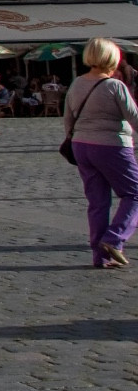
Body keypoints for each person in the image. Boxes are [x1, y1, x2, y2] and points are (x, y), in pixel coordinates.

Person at [65, 36, 138, 268]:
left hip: (81, 146)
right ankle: (114, 239)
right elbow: (134, 117)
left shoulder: (77, 83)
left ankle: (101, 257)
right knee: (135, 194)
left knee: (97, 202)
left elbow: (68, 118)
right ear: (112, 58)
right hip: (111, 146)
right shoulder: (115, 86)